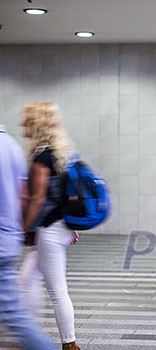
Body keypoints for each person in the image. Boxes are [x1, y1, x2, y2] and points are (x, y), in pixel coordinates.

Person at [19, 102, 80, 350]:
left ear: (36, 123)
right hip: (59, 228)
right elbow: (68, 194)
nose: (22, 124)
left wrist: (23, 229)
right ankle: (27, 332)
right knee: (26, 279)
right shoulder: (59, 153)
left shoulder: (43, 156)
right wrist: (71, 225)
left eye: (26, 120)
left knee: (56, 290)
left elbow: (38, 199)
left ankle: (70, 343)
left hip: (50, 230)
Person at [0, 123, 57, 350]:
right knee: (15, 314)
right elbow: (23, 196)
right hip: (7, 239)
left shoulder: (40, 154)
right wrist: (19, 230)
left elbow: (35, 198)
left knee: (16, 315)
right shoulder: (11, 145)